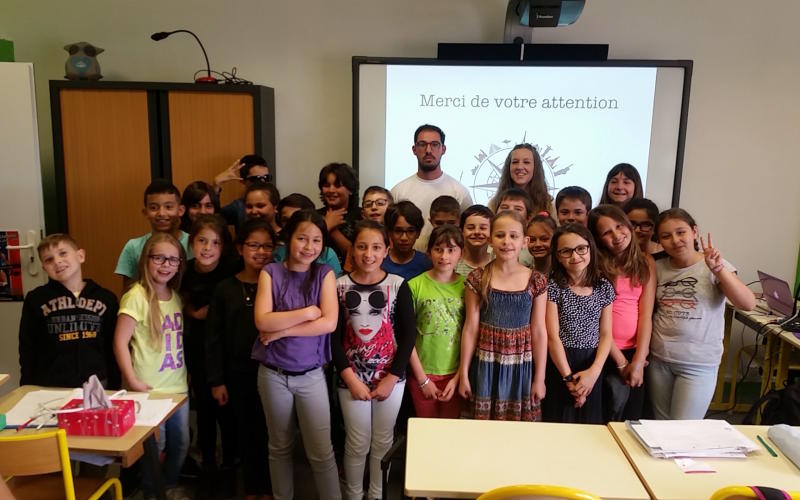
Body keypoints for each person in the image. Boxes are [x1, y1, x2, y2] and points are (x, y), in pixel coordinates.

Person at [251, 209, 341, 499]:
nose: (309, 247)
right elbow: (263, 321)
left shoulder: (325, 274)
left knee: (322, 451)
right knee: (279, 447)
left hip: (311, 375)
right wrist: (308, 312)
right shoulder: (270, 272)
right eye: (302, 238)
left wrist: (281, 331)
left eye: (316, 240)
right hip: (273, 374)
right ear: (289, 239)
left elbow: (329, 323)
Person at [332, 220, 415, 500]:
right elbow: (333, 338)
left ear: (386, 250)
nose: (369, 254)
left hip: (390, 378)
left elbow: (408, 335)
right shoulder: (338, 286)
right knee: (357, 442)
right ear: (352, 250)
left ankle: (377, 494)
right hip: (351, 379)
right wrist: (349, 378)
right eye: (362, 247)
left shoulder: (398, 285)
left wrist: (393, 377)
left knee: (383, 440)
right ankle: (354, 495)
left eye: (376, 247)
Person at [649, 208, 755, 420]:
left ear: (694, 232)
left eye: (681, 232)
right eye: (666, 236)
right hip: (659, 360)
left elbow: (747, 303)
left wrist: (718, 270)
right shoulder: (658, 267)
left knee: (684, 430)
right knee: (660, 427)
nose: (675, 240)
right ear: (659, 241)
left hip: (698, 364)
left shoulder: (715, 265)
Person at [113, 233, 189, 498]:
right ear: (146, 260)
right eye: (159, 258)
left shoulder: (175, 296)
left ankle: (166, 487)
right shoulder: (136, 296)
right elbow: (120, 342)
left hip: (178, 388)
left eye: (173, 260)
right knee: (156, 447)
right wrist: (132, 380)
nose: (166, 265)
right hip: (149, 390)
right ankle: (151, 492)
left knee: (181, 444)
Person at [206, 218, 276, 499]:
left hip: (273, 373)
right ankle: (250, 488)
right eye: (254, 245)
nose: (261, 252)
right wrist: (216, 381)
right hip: (237, 374)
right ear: (239, 248)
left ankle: (270, 488)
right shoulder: (225, 289)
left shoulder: (278, 283)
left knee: (272, 433)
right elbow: (213, 339)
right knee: (244, 433)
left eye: (267, 246)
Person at [458, 210, 547, 421]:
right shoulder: (478, 278)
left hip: (521, 367)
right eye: (500, 235)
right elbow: (470, 328)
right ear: (490, 240)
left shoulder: (536, 280)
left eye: (513, 236)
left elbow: (539, 331)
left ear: (524, 241)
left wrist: (539, 378)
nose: (506, 241)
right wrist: (463, 373)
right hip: (486, 366)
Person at [180, 215, 239, 483]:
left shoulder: (231, 270)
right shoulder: (186, 272)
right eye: (202, 241)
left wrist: (213, 312)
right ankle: (208, 463)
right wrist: (193, 312)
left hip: (226, 347)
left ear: (223, 247)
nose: (207, 248)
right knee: (203, 408)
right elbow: (180, 302)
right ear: (191, 242)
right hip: (197, 347)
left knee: (228, 411)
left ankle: (230, 463)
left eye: (215, 243)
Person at [19, 234, 119, 388]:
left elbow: (113, 345)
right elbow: (27, 347)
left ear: (80, 256)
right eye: (49, 260)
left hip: (97, 383)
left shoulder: (106, 298)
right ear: (44, 268)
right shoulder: (36, 299)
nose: (57, 261)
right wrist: (27, 387)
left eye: (63, 253)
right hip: (50, 385)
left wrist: (115, 385)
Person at [588, 205, 655, 421]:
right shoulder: (595, 266)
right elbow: (594, 318)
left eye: (619, 226)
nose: (617, 236)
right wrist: (621, 362)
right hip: (602, 350)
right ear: (598, 240)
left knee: (631, 417)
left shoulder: (646, 262)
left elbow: (646, 315)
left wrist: (638, 360)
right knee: (604, 415)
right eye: (607, 232)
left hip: (634, 353)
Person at [544, 224, 615, 424]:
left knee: (590, 424)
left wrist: (594, 372)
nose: (575, 256)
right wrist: (568, 378)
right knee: (559, 421)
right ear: (557, 256)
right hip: (561, 362)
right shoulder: (553, 286)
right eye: (566, 251)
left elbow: (606, 334)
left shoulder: (603, 287)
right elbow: (552, 336)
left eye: (581, 249)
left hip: (593, 362)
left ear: (590, 248)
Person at [407, 224, 466, 418]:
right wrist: (422, 379)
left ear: (461, 253)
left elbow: (471, 334)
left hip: (455, 374)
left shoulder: (467, 287)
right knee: (425, 426)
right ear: (429, 252)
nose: (444, 256)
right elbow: (406, 336)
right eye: (438, 249)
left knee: (449, 428)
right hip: (422, 373)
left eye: (451, 250)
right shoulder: (414, 285)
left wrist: (458, 377)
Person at [391, 124, 473, 251]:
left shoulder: (460, 192)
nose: (428, 150)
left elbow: (468, 233)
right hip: (408, 261)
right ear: (414, 149)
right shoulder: (398, 192)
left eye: (435, 144)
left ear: (443, 149)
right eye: (422, 144)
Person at [115, 179, 192, 290]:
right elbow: (128, 291)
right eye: (154, 208)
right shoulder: (133, 247)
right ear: (145, 212)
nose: (161, 213)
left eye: (168, 207)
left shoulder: (194, 244)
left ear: (180, 210)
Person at [273, 193, 342, 277]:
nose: (291, 225)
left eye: (297, 219)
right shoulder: (277, 253)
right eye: (286, 220)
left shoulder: (327, 255)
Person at [488, 143, 552, 216]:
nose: (519, 167)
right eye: (515, 162)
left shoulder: (548, 205)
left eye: (526, 162)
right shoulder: (494, 204)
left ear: (535, 167)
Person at [318, 162, 361, 266]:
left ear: (350, 190)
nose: (331, 190)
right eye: (327, 185)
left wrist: (333, 231)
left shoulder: (362, 216)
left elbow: (358, 256)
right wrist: (326, 225)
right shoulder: (314, 216)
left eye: (337, 186)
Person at [213, 154, 272, 228]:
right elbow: (214, 220)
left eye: (266, 177)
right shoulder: (239, 206)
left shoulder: (276, 203)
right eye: (256, 179)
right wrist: (216, 185)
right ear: (243, 181)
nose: (263, 182)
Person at [382, 201, 432, 281]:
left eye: (410, 231)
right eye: (398, 231)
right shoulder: (380, 261)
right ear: (389, 232)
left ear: (418, 233)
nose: (404, 238)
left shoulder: (427, 263)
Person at [495, 188, 534, 266]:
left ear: (528, 219)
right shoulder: (488, 246)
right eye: (504, 207)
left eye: (518, 209)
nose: (510, 212)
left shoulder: (532, 248)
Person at [455, 205, 493, 278]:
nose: (477, 232)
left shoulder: (498, 260)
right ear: (461, 231)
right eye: (470, 228)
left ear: (491, 231)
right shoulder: (453, 262)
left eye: (483, 228)